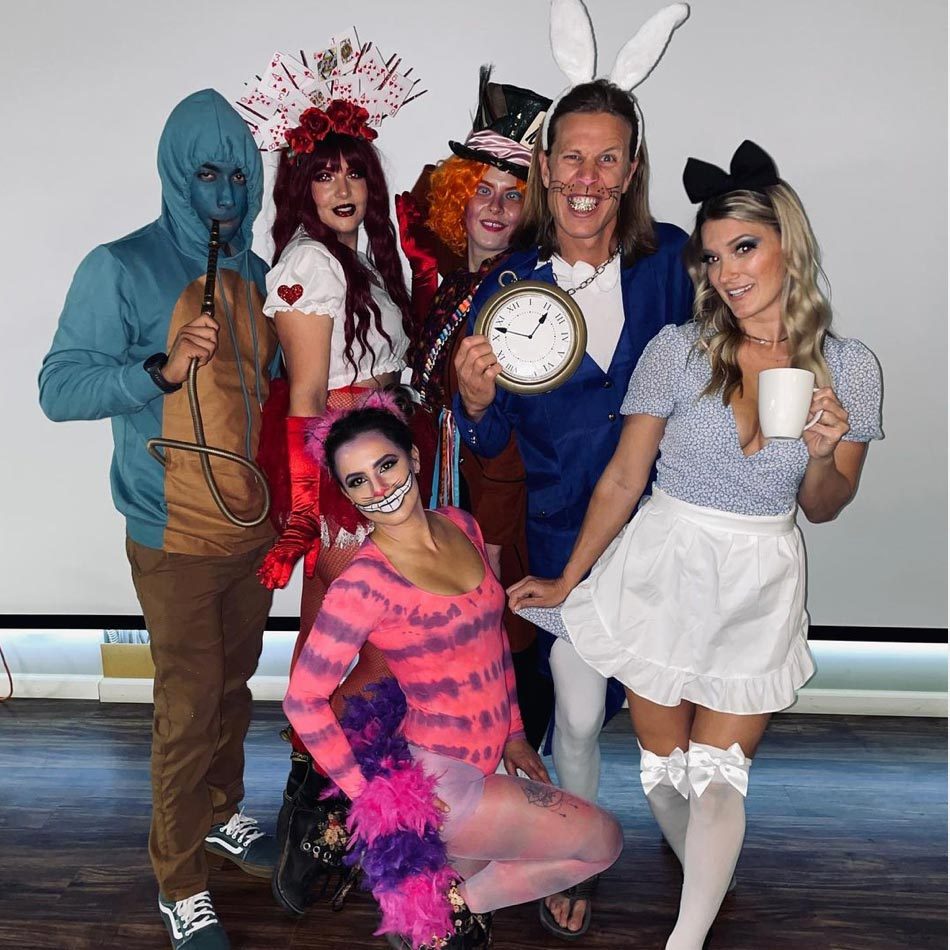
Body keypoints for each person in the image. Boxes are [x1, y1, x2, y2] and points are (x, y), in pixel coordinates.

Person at [509, 140, 884, 949]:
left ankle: (688, 935)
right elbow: (620, 479)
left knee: (721, 772)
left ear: (790, 243)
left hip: (758, 573)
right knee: (665, 765)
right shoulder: (678, 350)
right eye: (711, 258)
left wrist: (823, 454)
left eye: (744, 248)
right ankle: (703, 866)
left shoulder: (850, 371)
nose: (727, 273)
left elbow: (825, 506)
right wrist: (571, 579)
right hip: (664, 564)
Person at [39, 89, 279, 950]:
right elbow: (57, 387)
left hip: (253, 534)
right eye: (207, 173)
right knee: (185, 708)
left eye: (238, 175)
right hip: (172, 535)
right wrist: (158, 367)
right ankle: (179, 882)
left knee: (232, 690)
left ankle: (220, 815)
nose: (224, 192)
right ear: (177, 174)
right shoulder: (121, 265)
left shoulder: (259, 270)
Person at [453, 74, 693, 933]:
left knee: (676, 720)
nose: (587, 176)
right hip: (564, 542)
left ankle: (698, 845)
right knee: (580, 713)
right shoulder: (504, 286)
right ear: (546, 167)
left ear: (631, 172)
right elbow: (486, 441)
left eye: (608, 159)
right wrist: (478, 408)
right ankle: (576, 854)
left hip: (671, 535)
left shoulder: (677, 263)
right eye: (572, 156)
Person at [283, 395, 623, 950]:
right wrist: (372, 798)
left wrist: (514, 733)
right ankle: (456, 905)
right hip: (445, 782)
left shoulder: (460, 525)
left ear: (414, 459)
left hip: (491, 755)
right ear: (346, 496)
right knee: (602, 843)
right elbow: (302, 701)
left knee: (449, 916)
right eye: (357, 481)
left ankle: (444, 908)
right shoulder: (362, 584)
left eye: (386, 465)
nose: (377, 487)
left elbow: (491, 641)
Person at [253, 97, 429, 915]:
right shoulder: (311, 266)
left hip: (378, 467)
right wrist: (305, 514)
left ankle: (330, 823)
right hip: (345, 482)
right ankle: (312, 828)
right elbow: (308, 402)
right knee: (350, 646)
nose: (344, 185)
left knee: (365, 644)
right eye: (324, 174)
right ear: (299, 187)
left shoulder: (353, 259)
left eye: (355, 169)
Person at [396, 68, 555, 750]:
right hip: (439, 486)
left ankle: (512, 802)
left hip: (494, 501)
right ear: (457, 199)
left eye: (512, 197)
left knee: (503, 649)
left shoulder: (527, 291)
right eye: (480, 191)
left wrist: (488, 536)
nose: (493, 208)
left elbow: (516, 431)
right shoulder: (448, 279)